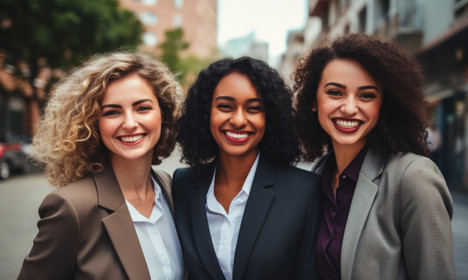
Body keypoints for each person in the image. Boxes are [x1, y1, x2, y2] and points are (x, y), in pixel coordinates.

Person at [294, 33, 455, 280]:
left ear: (383, 104)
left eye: (366, 95)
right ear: (314, 101)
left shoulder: (414, 178)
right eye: (335, 92)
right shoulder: (317, 175)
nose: (349, 108)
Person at [18, 52, 184, 280]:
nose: (130, 123)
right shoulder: (71, 208)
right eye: (112, 112)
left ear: (163, 114)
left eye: (142, 108)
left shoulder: (170, 187)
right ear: (93, 123)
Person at [172, 56, 321, 280]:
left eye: (253, 109)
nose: (239, 120)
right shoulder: (183, 184)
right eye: (225, 107)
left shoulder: (304, 190)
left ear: (270, 117)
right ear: (205, 112)